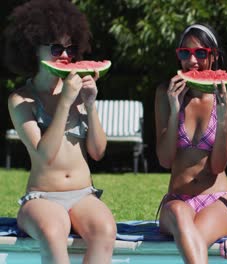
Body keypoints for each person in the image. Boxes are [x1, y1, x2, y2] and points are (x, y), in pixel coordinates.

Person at [4, 0, 116, 263]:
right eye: (56, 49)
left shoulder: (79, 94)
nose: (65, 56)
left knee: (106, 231)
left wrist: (90, 104)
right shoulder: (20, 100)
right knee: (53, 233)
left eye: (70, 49)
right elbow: (44, 156)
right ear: (34, 50)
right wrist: (65, 102)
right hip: (43, 197)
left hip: (84, 194)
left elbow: (98, 152)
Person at [154, 23, 227, 264]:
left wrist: (222, 122)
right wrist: (174, 112)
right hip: (177, 200)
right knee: (182, 218)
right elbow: (165, 160)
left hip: (216, 199)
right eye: (185, 53)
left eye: (200, 53)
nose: (192, 61)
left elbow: (217, 166)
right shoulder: (166, 93)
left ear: (214, 56)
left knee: (195, 240)